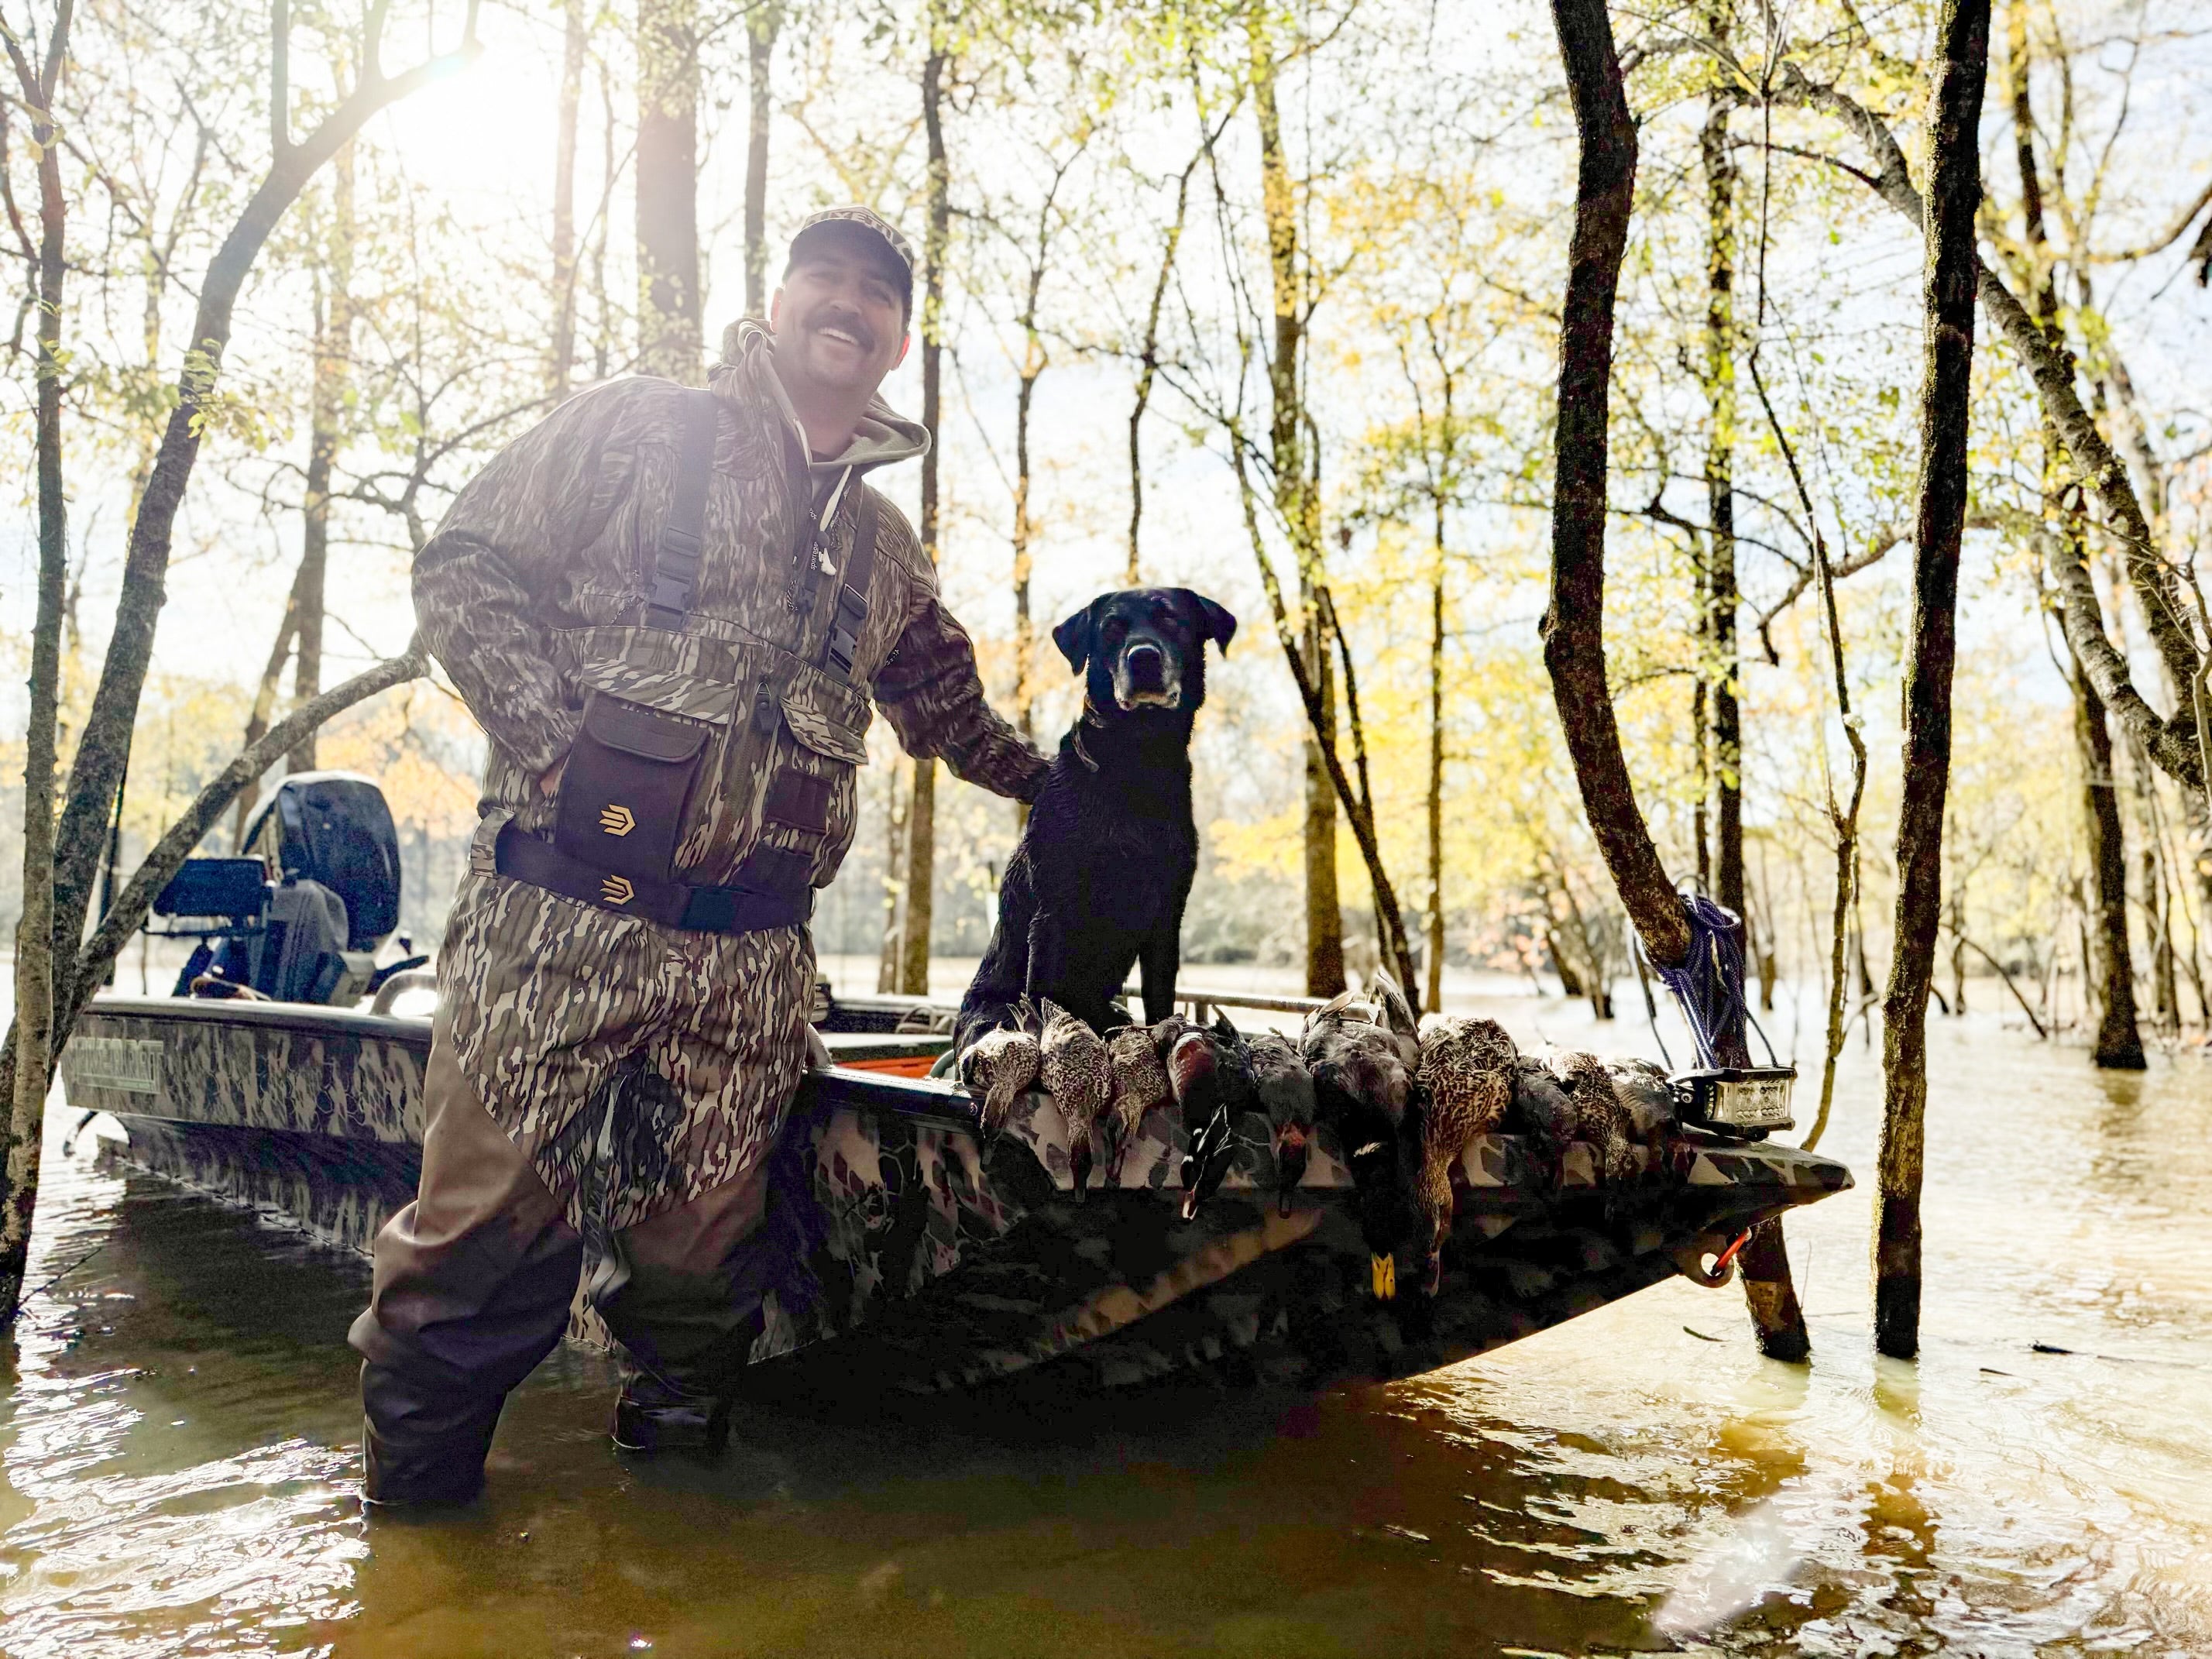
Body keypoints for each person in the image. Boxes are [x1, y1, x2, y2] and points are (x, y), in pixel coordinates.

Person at [349, 207, 1047, 1506]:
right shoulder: (638, 428)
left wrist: (1066, 792)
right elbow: (463, 565)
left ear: (896, 343)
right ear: (778, 301)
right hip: (557, 927)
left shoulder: (880, 548)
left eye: (878, 294)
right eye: (824, 277)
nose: (848, 302)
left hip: (748, 970)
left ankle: (670, 1557)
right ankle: (413, 1554)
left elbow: (946, 707)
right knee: (473, 1260)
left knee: (701, 1284)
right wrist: (555, 749)